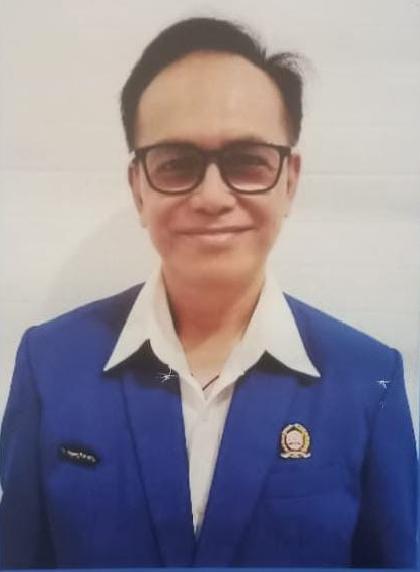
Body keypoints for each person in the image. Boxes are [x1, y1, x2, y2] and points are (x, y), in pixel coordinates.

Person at [0, 17, 416, 569]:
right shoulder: (51, 364)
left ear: (289, 180)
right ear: (138, 187)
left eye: (248, 161)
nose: (213, 197)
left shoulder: (366, 379)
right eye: (176, 164)